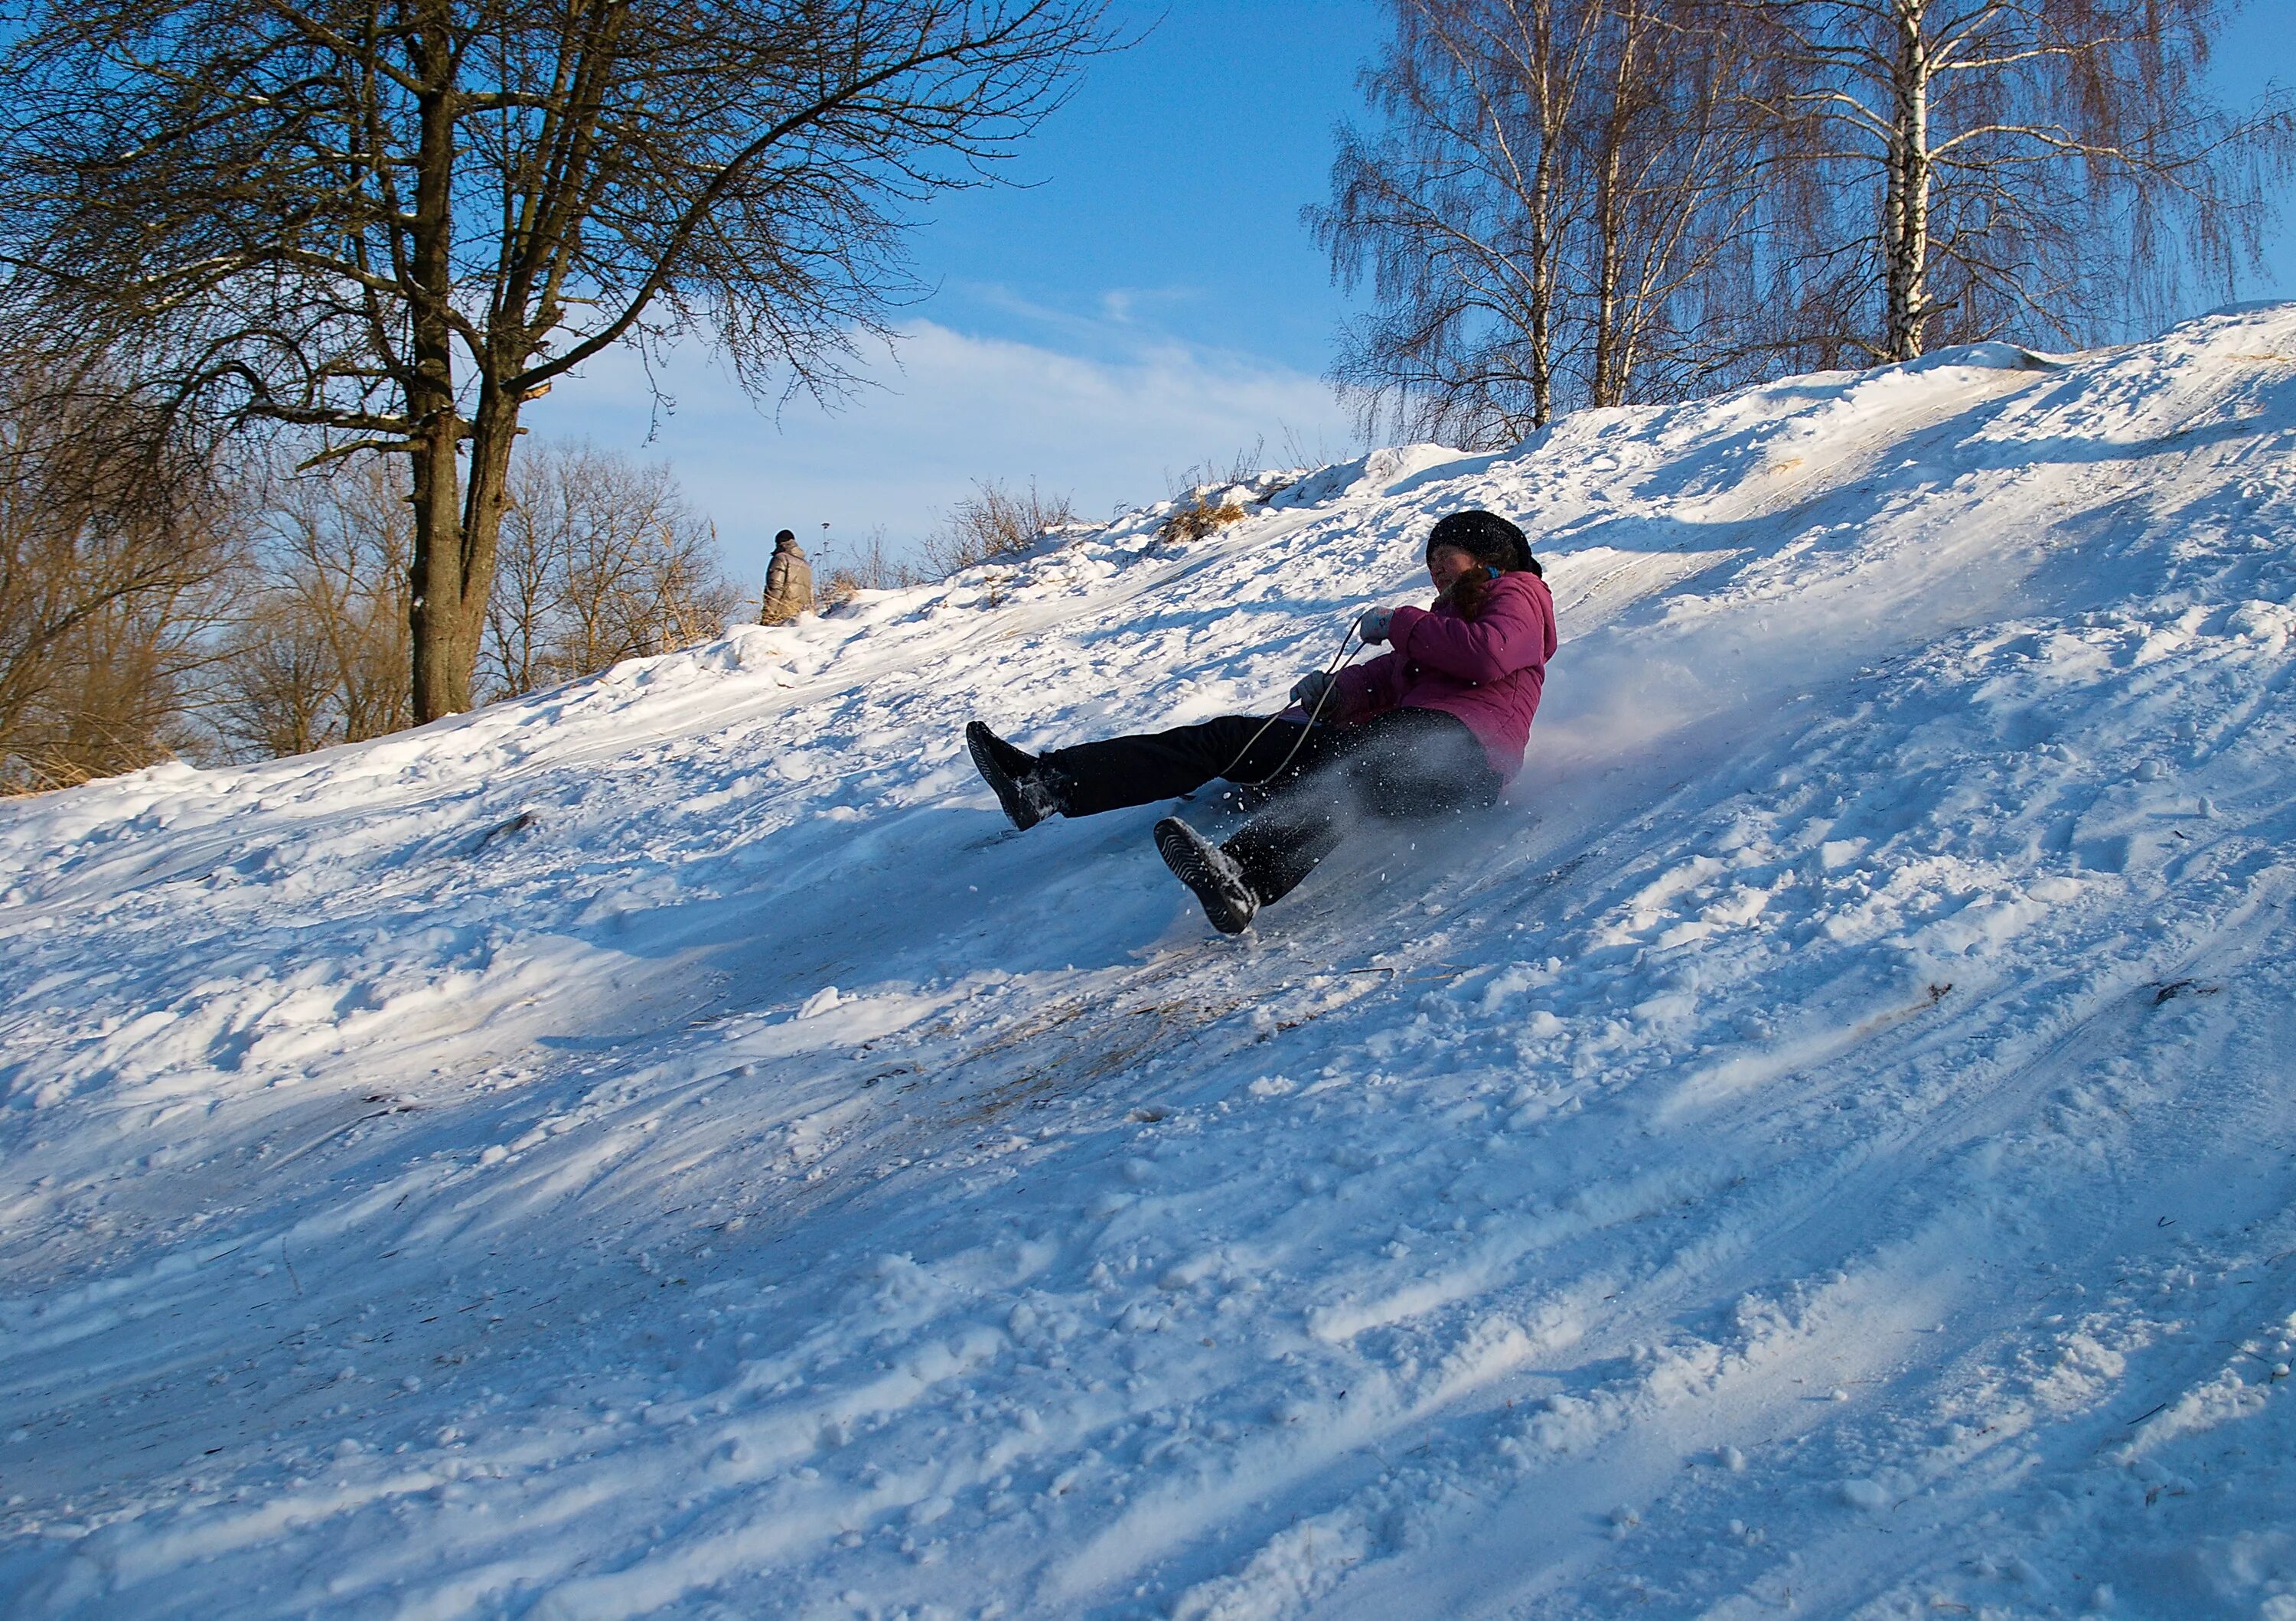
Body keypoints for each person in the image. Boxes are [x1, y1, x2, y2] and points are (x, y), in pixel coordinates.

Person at [966, 509, 1557, 933]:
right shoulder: (1436, 629)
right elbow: (1383, 681)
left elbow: (1490, 653)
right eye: (1429, 561)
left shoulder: (1521, 592)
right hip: (1396, 741)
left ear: (1484, 556)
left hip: (1462, 760)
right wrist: (1332, 694)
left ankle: (1245, 875)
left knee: (1363, 764)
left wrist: (1401, 623)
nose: (1434, 569)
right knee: (1233, 738)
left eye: (1443, 556)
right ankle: (1046, 786)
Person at [762, 529, 814, 623]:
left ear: (778, 543)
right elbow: (810, 594)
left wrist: (768, 615)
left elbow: (775, 588)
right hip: (800, 616)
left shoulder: (780, 559)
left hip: (782, 613)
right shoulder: (805, 564)